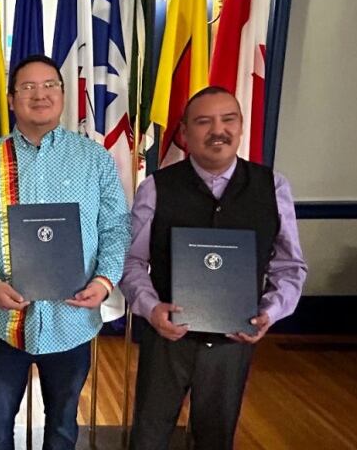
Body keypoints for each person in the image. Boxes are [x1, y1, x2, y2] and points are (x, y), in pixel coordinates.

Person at [0, 54, 130, 449]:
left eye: (50, 85)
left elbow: (116, 229)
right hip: (3, 324)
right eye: (27, 87)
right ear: (12, 99)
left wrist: (103, 281)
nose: (40, 95)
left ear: (63, 96)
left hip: (72, 321)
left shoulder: (94, 160)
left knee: (63, 428)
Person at [119, 86, 308, 450]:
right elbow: (133, 261)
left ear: (241, 128)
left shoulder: (273, 187)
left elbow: (290, 266)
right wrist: (149, 307)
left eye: (228, 120)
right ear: (185, 134)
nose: (217, 130)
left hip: (232, 343)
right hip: (167, 341)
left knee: (216, 438)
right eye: (203, 122)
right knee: (148, 437)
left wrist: (269, 312)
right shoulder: (157, 187)